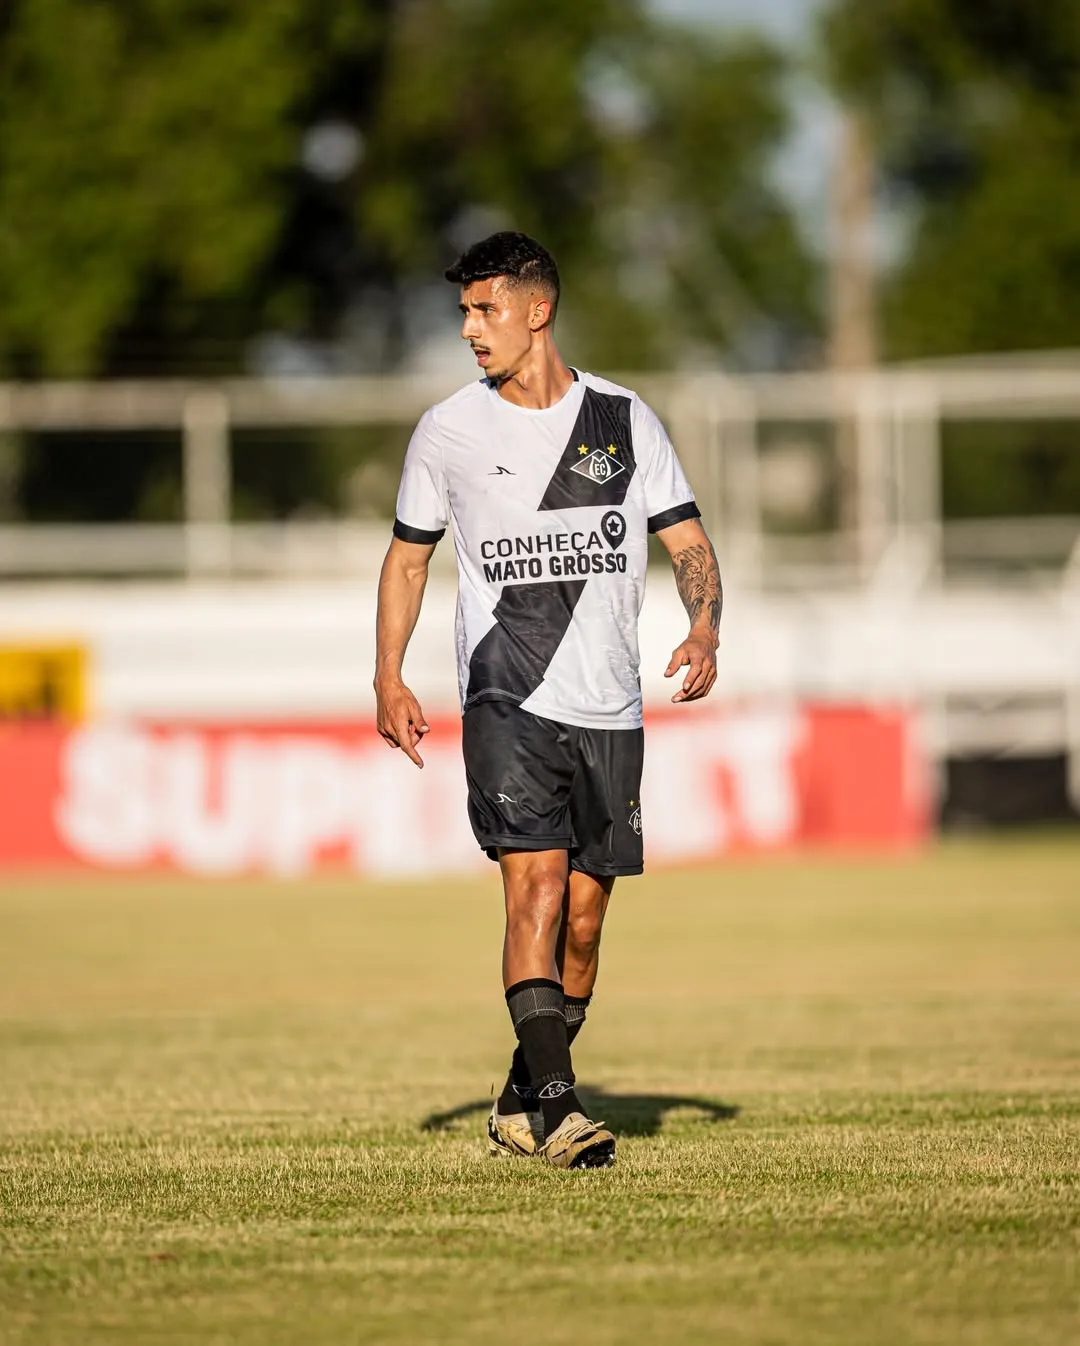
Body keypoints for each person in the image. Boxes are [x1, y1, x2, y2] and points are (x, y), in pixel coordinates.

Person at [374, 232, 722, 1170]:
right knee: (531, 891)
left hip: (610, 706)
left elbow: (686, 538)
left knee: (583, 921)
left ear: (539, 310)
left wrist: (704, 626)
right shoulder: (448, 431)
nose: (469, 330)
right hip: (507, 699)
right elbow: (409, 557)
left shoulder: (623, 419)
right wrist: (389, 673)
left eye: (484, 310)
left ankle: (518, 1099)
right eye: (463, 313)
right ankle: (562, 1113)